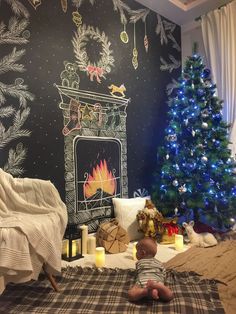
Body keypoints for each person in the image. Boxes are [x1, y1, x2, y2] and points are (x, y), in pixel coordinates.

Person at [128, 237, 174, 302]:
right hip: (157, 280)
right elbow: (164, 273)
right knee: (169, 295)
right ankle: (157, 287)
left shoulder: (139, 262)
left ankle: (145, 291)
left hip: (142, 280)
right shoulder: (159, 263)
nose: (136, 253)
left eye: (137, 251)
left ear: (143, 253)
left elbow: (138, 273)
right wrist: (160, 281)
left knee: (131, 294)